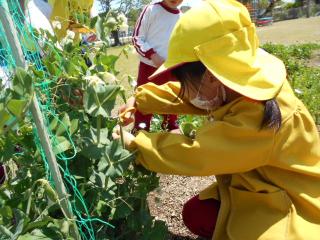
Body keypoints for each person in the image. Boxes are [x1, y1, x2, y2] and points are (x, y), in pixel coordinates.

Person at [113, 0, 320, 239]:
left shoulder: (259, 115)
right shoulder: (242, 81)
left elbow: (199, 153)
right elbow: (187, 95)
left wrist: (137, 144)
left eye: (186, 82)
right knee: (197, 214)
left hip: (294, 200)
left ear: (211, 77)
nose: (185, 90)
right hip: (259, 182)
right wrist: (141, 99)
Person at [131, 0, 183, 133]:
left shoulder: (182, 17)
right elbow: (137, 38)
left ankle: (171, 132)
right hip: (149, 68)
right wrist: (153, 55)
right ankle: (140, 133)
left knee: (171, 103)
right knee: (144, 102)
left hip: (171, 69)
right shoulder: (151, 10)